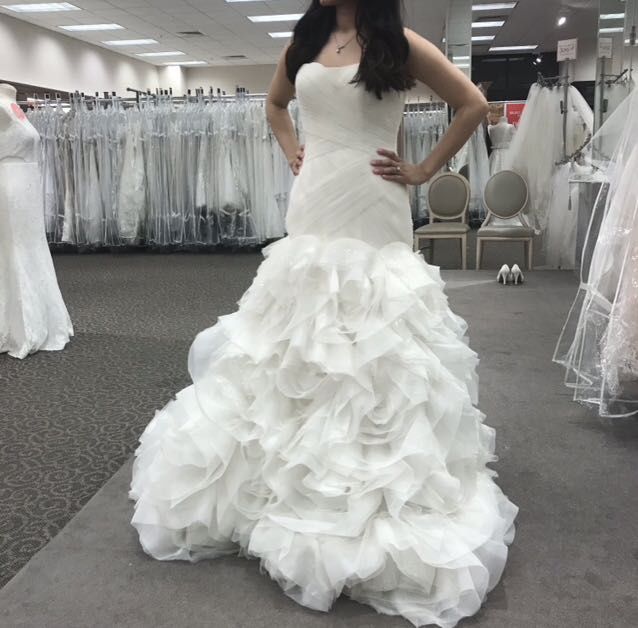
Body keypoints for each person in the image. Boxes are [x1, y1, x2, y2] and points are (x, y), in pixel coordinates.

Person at [129, 1, 518, 627]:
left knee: (374, 325)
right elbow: (275, 104)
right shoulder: (305, 40)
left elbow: (471, 103)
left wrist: (423, 171)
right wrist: (293, 151)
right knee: (301, 327)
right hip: (315, 196)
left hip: (374, 193)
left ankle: (368, 474)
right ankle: (286, 474)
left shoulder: (399, 42)